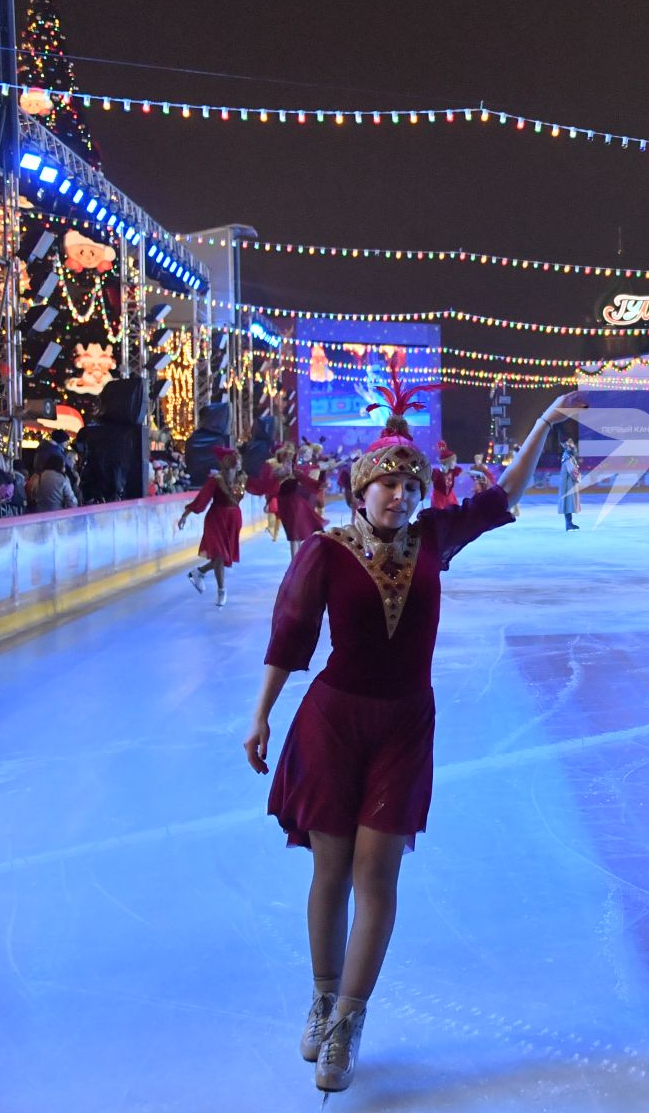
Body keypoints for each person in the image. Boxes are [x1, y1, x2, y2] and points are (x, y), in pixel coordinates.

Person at [245, 386, 580, 1094]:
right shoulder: (324, 551)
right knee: (330, 873)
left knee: (378, 875)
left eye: (409, 485)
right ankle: (321, 995)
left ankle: (348, 1021)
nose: (399, 495)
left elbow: (505, 494)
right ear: (361, 491)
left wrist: (546, 421)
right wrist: (262, 714)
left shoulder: (433, 538)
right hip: (333, 720)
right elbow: (290, 636)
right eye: (387, 485)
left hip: (404, 724)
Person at [179, 446, 246, 607]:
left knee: (221, 558)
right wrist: (184, 516)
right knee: (220, 555)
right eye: (233, 459)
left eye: (237, 459)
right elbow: (201, 500)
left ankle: (199, 572)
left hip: (233, 519)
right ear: (226, 462)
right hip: (216, 519)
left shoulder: (242, 479)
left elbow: (260, 486)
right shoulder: (216, 479)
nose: (237, 461)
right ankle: (222, 590)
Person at [25, 445, 80, 511]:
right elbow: (71, 500)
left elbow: (33, 493)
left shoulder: (39, 475)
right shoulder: (62, 478)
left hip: (40, 511)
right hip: (57, 512)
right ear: (60, 465)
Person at [557, 436, 581, 530]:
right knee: (568, 503)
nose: (573, 446)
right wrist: (578, 477)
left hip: (568, 483)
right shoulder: (567, 457)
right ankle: (568, 524)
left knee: (569, 504)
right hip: (568, 484)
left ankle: (569, 523)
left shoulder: (569, 456)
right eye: (570, 444)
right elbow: (572, 470)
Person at [429, 442, 460, 511]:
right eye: (454, 461)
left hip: (450, 496)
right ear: (447, 462)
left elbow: (465, 473)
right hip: (439, 497)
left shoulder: (453, 471)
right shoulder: (436, 473)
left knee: (455, 512)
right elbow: (428, 480)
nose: (455, 463)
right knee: (439, 514)